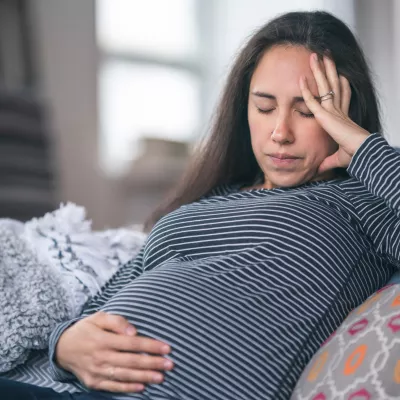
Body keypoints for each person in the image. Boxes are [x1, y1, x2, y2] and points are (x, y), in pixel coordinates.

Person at [1, 9, 399, 400]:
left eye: (307, 111)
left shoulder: (365, 201)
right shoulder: (210, 200)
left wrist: (364, 147)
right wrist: (65, 344)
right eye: (263, 107)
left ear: (344, 114)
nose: (280, 132)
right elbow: (100, 304)